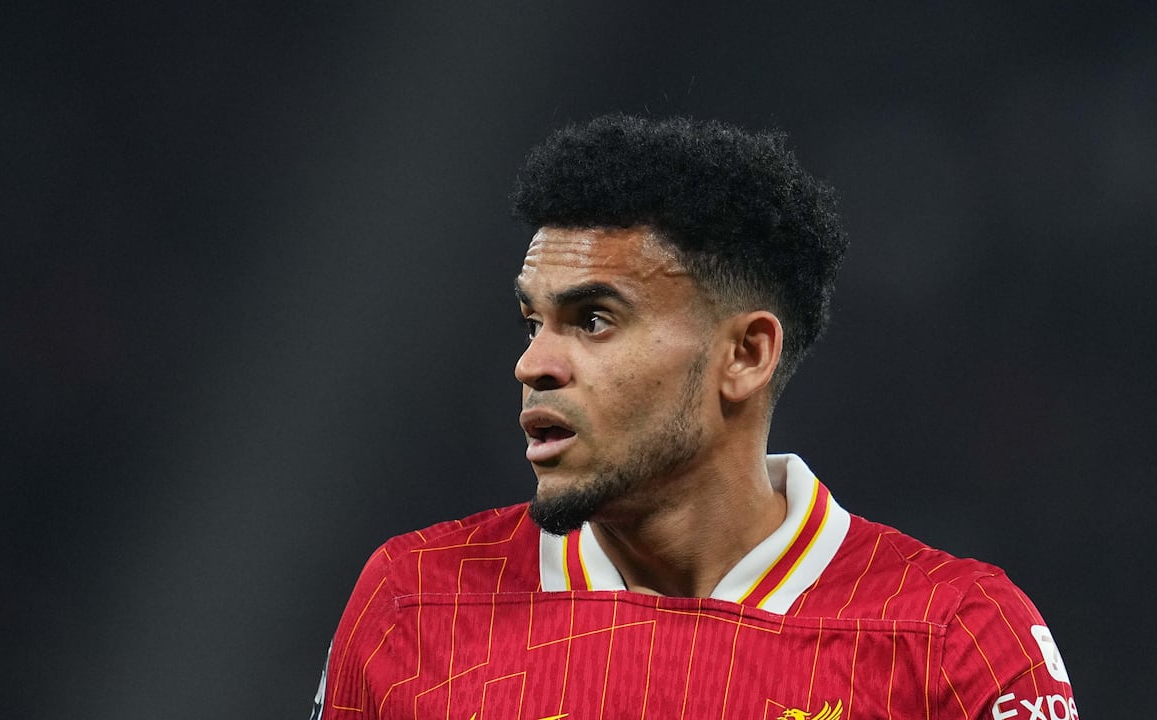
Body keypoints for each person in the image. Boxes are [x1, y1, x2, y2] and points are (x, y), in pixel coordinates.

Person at [310, 114, 1079, 720]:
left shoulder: (957, 640)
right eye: (531, 321)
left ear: (745, 355)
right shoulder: (412, 604)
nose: (534, 363)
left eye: (595, 320)